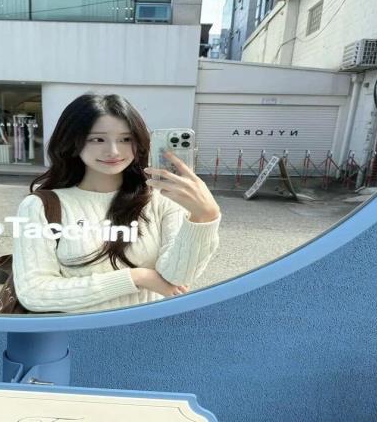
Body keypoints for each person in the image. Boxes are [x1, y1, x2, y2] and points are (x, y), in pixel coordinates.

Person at [12, 93, 222, 313]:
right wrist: (136, 277)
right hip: (79, 333)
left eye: (125, 139)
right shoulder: (41, 207)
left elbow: (176, 278)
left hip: (149, 330)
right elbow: (35, 293)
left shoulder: (162, 200)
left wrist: (204, 217)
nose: (113, 151)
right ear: (73, 142)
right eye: (97, 139)